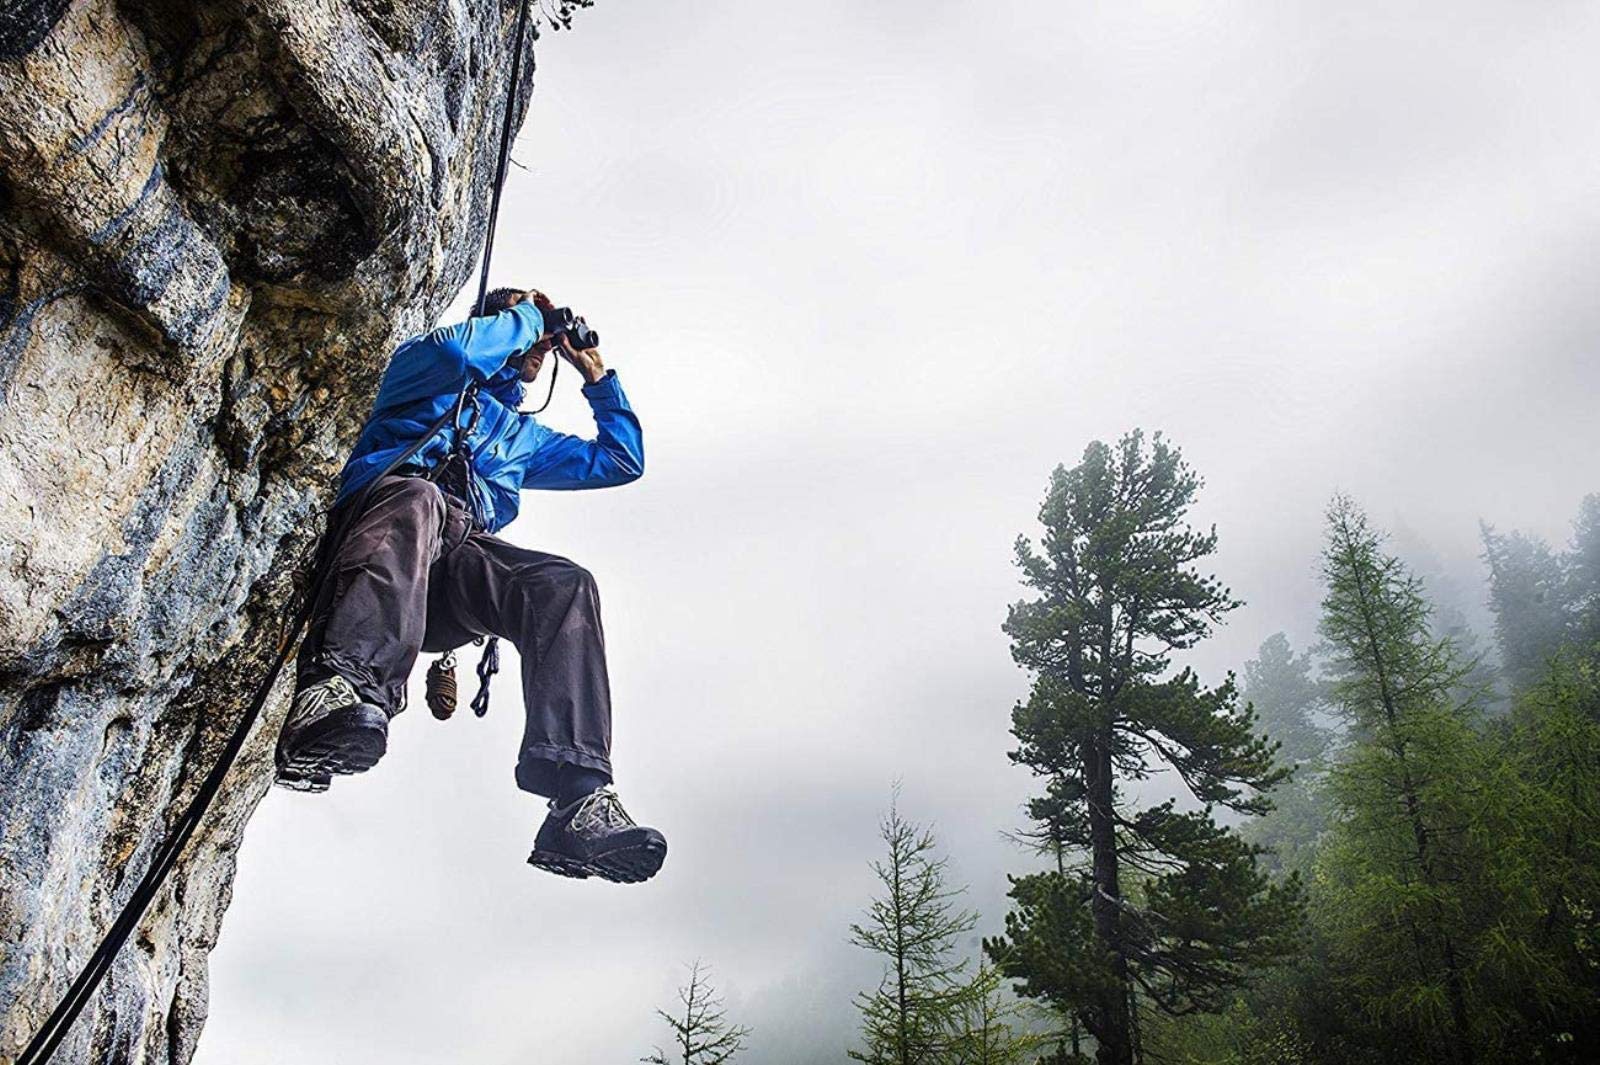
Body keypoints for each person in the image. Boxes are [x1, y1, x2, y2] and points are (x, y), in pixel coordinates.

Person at [274, 287, 666, 885]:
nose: (538, 340)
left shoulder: (518, 435)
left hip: (448, 572)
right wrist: (528, 316)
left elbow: (620, 461)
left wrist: (595, 373)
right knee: (420, 495)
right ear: (498, 325)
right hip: (379, 534)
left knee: (563, 584)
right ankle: (338, 690)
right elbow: (458, 358)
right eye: (525, 324)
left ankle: (577, 798)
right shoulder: (423, 372)